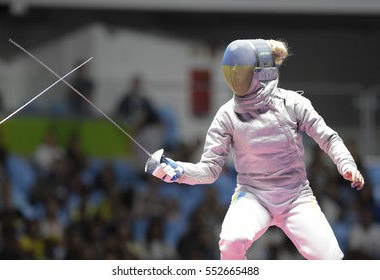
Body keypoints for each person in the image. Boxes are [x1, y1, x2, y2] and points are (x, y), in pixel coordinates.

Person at [145, 39, 365, 260]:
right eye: (230, 72)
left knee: (331, 259)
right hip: (253, 195)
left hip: (295, 196)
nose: (234, 78)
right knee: (231, 243)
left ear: (263, 73)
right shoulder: (227, 115)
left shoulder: (292, 103)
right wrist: (179, 172)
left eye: (240, 72)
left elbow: (328, 138)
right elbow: (210, 169)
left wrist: (346, 164)